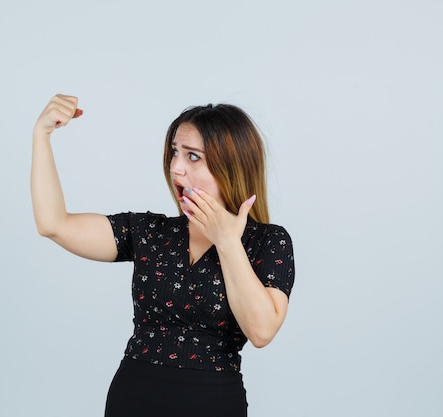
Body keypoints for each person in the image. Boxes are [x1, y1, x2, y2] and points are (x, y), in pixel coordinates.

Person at [31, 94, 295, 417]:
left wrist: (226, 241)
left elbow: (262, 330)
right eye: (175, 153)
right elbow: (54, 224)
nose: (176, 167)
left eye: (193, 156)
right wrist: (41, 135)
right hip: (132, 400)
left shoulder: (267, 242)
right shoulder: (151, 232)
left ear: (230, 166)